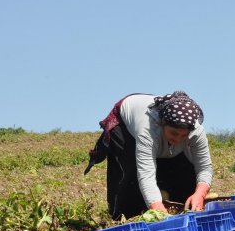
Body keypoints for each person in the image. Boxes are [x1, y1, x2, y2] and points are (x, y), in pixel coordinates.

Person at [85, 91, 213, 220]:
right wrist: (157, 209)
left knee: (185, 172)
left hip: (158, 134)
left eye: (184, 135)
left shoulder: (196, 131)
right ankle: (125, 218)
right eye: (174, 133)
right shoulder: (147, 128)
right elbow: (146, 174)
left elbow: (204, 167)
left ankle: (181, 212)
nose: (178, 139)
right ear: (163, 124)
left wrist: (200, 194)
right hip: (125, 126)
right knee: (130, 174)